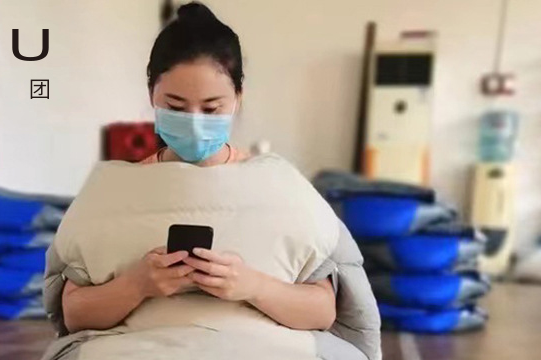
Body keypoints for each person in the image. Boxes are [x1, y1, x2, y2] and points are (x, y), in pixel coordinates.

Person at [60, 2, 336, 334]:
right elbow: (74, 315)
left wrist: (254, 286)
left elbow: (323, 312)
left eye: (211, 108)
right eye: (175, 107)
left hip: (254, 351)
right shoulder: (116, 190)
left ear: (238, 98)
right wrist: (136, 285)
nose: (193, 122)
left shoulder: (279, 185)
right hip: (140, 352)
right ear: (151, 95)